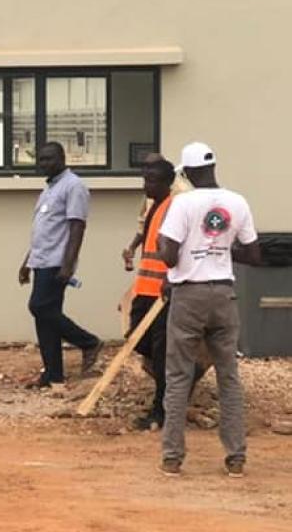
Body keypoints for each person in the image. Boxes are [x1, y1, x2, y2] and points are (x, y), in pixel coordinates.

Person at [154, 142, 262, 478]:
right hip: (224, 295)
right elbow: (254, 255)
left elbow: (169, 256)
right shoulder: (237, 202)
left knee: (178, 376)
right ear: (213, 167)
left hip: (189, 297)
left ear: (184, 174)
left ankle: (173, 457)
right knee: (228, 377)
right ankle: (236, 458)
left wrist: (172, 247)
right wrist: (221, 249)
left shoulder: (182, 203)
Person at [18, 141, 102, 390]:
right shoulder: (49, 189)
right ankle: (53, 375)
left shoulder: (73, 186)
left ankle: (88, 342)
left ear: (62, 158)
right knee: (44, 319)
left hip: (57, 262)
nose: (44, 164)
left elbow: (77, 226)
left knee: (39, 307)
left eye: (49, 159)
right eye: (41, 160)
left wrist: (68, 264)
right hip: (41, 260)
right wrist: (27, 263)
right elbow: (42, 231)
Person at [124, 157, 177, 430]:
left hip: (162, 292)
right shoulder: (152, 206)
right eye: (145, 179)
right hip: (145, 288)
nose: (147, 185)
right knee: (137, 339)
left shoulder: (173, 207)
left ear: (168, 183)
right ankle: (168, 394)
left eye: (153, 180)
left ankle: (163, 408)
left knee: (160, 351)